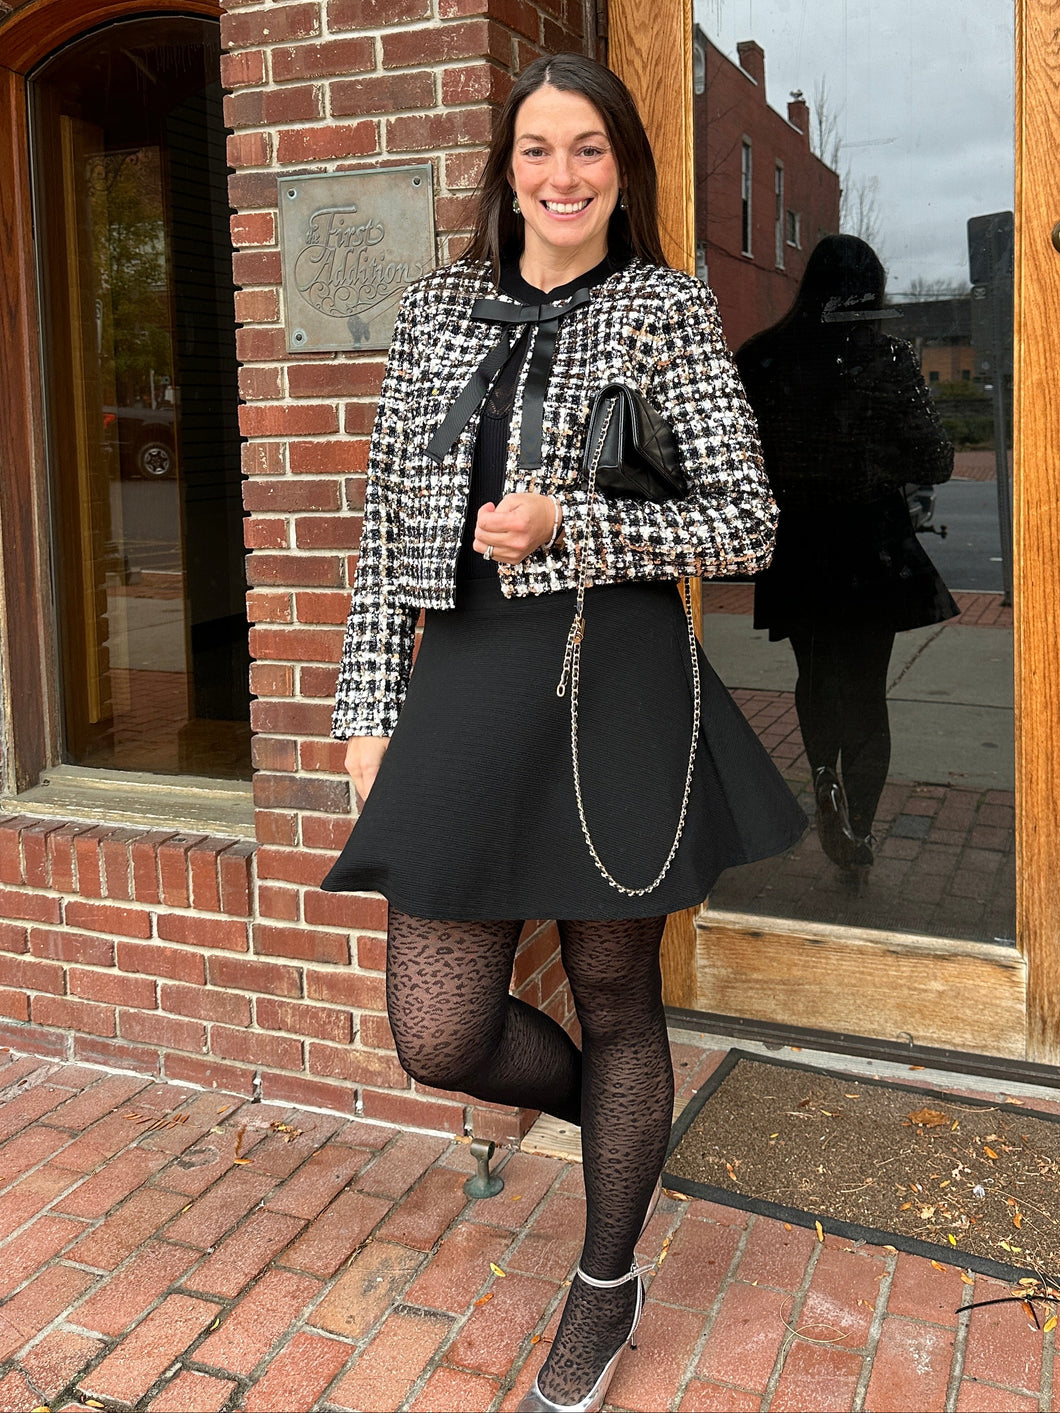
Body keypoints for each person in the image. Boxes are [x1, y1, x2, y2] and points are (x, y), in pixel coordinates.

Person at [321, 52, 805, 1412]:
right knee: (440, 1027)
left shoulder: (666, 308)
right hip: (467, 682)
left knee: (613, 994)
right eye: (539, 149)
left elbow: (746, 520)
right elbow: (377, 534)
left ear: (623, 169)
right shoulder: (436, 309)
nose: (563, 175)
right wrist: (368, 709)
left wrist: (568, 526)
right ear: (507, 170)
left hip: (616, 681)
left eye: (589, 149)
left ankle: (604, 1277)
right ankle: (622, 1128)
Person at [736, 235, 957, 879]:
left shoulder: (762, 358)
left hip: (799, 547)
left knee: (815, 674)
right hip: (869, 547)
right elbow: (936, 460)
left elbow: (741, 457)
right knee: (865, 688)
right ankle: (857, 826)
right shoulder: (885, 359)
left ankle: (824, 775)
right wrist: (871, 459)